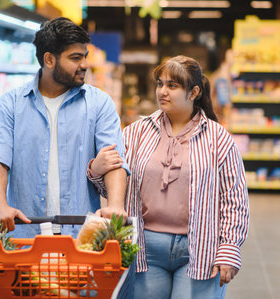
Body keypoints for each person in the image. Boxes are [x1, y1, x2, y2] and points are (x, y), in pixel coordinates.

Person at [88, 55, 249, 298]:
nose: (162, 91)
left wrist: (229, 248)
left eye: (172, 86)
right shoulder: (136, 133)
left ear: (194, 92)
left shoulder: (218, 138)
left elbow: (234, 200)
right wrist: (96, 169)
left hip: (200, 248)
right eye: (160, 84)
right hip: (145, 247)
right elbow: (113, 188)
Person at [0, 17, 128, 237]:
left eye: (85, 57)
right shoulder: (11, 104)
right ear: (49, 60)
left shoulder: (99, 103)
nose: (85, 65)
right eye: (75, 58)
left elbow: (114, 161)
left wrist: (115, 205)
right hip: (25, 236)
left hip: (82, 236)